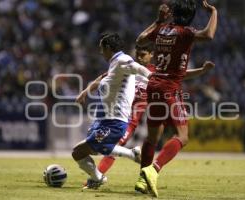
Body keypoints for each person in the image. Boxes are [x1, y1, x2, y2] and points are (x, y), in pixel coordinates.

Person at [78, 43, 215, 177]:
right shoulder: (127, 67)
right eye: (137, 54)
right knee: (112, 145)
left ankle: (137, 176)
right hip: (121, 113)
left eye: (143, 55)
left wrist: (201, 71)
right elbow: (103, 78)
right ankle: (102, 174)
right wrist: (86, 91)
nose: (139, 58)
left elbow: (180, 75)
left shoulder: (156, 71)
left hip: (137, 114)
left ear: (151, 55)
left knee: (130, 143)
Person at [134, 0, 218, 197]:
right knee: (182, 136)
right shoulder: (186, 32)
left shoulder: (162, 29)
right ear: (190, 17)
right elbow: (209, 34)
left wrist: (157, 20)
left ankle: (141, 180)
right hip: (169, 88)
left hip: (153, 85)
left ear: (173, 14)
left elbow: (139, 41)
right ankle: (153, 169)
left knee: (153, 137)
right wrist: (214, 12)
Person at [72, 33, 153, 190]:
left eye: (101, 48)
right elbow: (102, 78)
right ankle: (100, 176)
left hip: (115, 121)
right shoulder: (114, 64)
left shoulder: (123, 60)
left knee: (92, 148)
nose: (100, 52)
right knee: (78, 152)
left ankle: (128, 157)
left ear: (108, 48)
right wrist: (85, 92)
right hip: (103, 120)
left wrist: (152, 76)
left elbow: (136, 67)